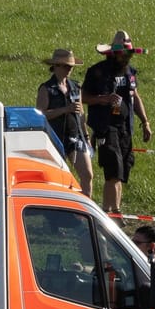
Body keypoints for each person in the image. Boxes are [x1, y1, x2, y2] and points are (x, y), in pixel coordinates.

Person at [82, 30, 151, 215]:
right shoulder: (96, 72)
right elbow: (83, 97)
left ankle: (116, 211)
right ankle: (109, 213)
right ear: (113, 53)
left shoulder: (130, 72)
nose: (126, 57)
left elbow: (135, 96)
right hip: (105, 127)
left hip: (125, 127)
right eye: (123, 54)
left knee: (122, 172)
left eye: (128, 54)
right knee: (112, 171)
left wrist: (145, 122)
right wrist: (103, 99)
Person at [37, 47, 93, 197]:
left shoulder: (76, 87)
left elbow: (81, 113)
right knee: (58, 179)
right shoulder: (46, 88)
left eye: (71, 67)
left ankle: (86, 210)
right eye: (66, 66)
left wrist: (86, 136)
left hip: (76, 136)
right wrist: (64, 109)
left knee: (87, 174)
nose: (69, 69)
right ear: (56, 66)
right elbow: (40, 115)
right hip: (55, 138)